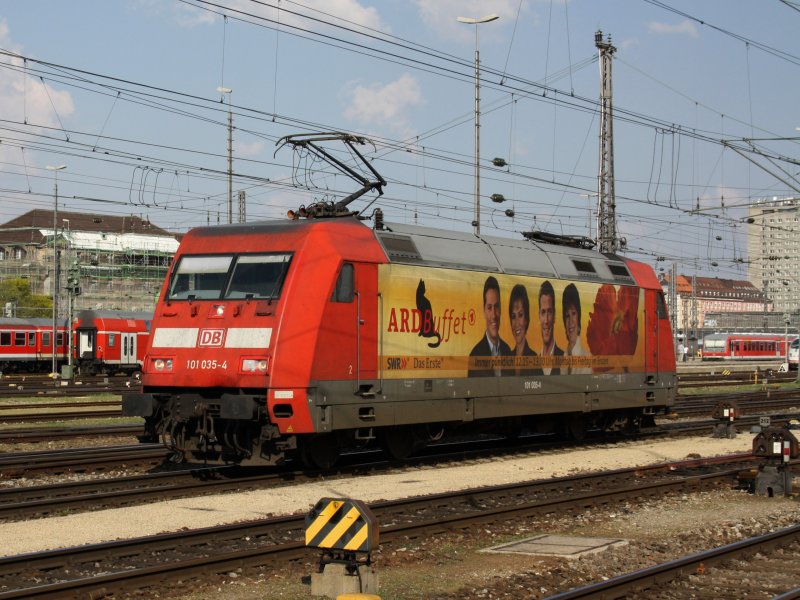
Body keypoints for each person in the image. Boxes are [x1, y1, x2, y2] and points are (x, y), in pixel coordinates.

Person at [468, 276, 511, 377]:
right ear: (484, 311)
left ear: (500, 309)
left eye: (496, 307)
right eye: (489, 307)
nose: (494, 315)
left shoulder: (507, 351)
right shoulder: (475, 355)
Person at [508, 284, 543, 376]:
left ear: (526, 319)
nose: (516, 323)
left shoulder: (534, 360)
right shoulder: (507, 358)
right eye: (513, 316)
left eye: (520, 315)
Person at [562, 283, 591, 374]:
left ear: (579, 317)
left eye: (573, 313)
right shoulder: (563, 359)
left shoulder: (586, 359)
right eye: (567, 316)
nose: (570, 321)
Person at [538, 280, 563, 375]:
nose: (546, 320)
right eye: (543, 312)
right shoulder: (533, 362)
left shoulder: (564, 359)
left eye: (550, 312)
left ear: (554, 315)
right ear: (539, 316)